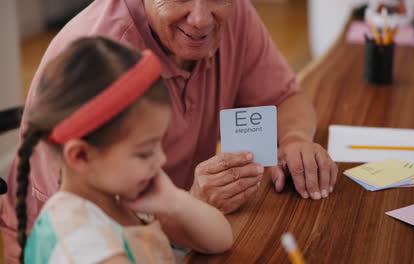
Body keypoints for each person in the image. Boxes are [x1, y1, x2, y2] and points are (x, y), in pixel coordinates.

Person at [1, 0, 338, 261]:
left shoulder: (147, 186)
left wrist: (293, 137)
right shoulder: (99, 61)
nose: (202, 18)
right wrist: (188, 204)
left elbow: (283, 96)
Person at [16, 37, 232, 263]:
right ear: (81, 155)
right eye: (145, 152)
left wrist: (173, 201)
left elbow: (220, 240)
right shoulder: (81, 243)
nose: (161, 159)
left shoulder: (121, 196)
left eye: (159, 143)